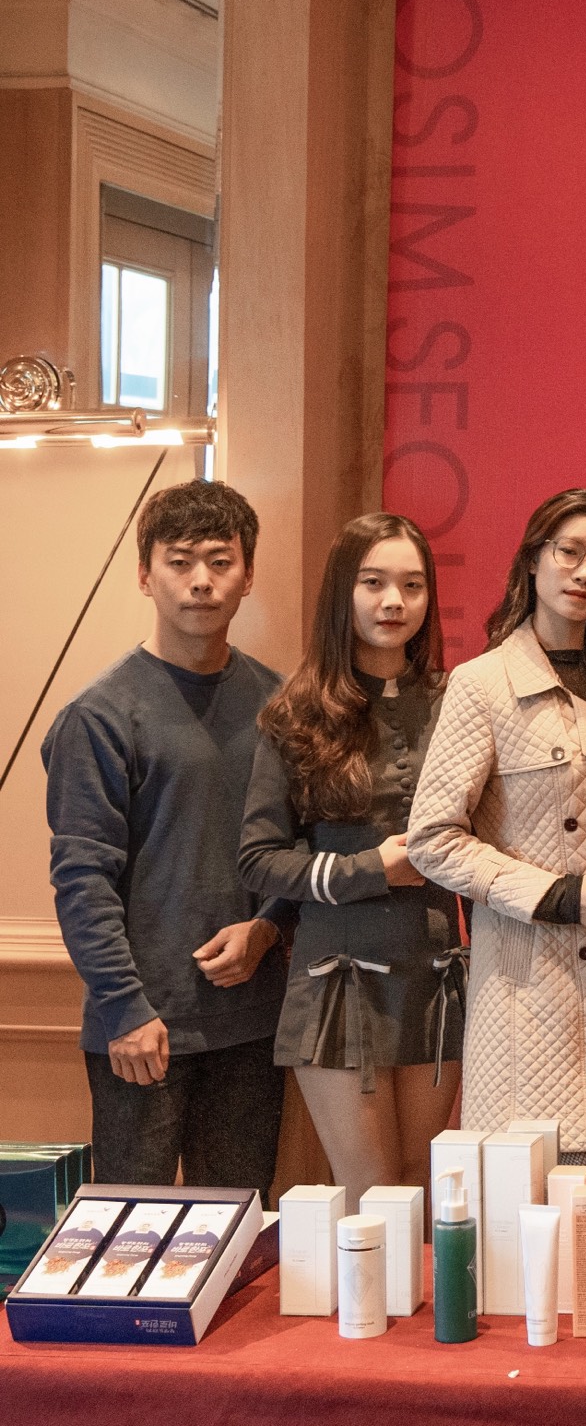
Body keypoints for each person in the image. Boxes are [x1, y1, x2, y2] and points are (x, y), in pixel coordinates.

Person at [408, 488, 586, 1161]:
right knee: (538, 1180)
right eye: (569, 553)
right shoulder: (482, 684)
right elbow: (432, 840)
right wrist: (556, 895)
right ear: (533, 559)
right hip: (531, 979)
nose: (585, 573)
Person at [44, 480, 286, 1188]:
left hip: (253, 1019)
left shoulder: (280, 703)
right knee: (135, 1230)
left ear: (248, 575)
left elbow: (298, 851)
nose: (200, 581)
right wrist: (123, 1007)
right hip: (142, 1024)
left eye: (220, 561)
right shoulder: (99, 715)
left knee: (239, 1226)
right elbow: (81, 878)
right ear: (145, 575)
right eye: (180, 562)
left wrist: (268, 927)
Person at [239, 513, 465, 1201]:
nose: (394, 601)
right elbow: (258, 859)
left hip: (436, 973)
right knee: (372, 1191)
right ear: (344, 591)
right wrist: (371, 869)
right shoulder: (296, 712)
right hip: (337, 978)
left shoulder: (457, 700)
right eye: (373, 583)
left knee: (421, 1189)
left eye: (412, 585)